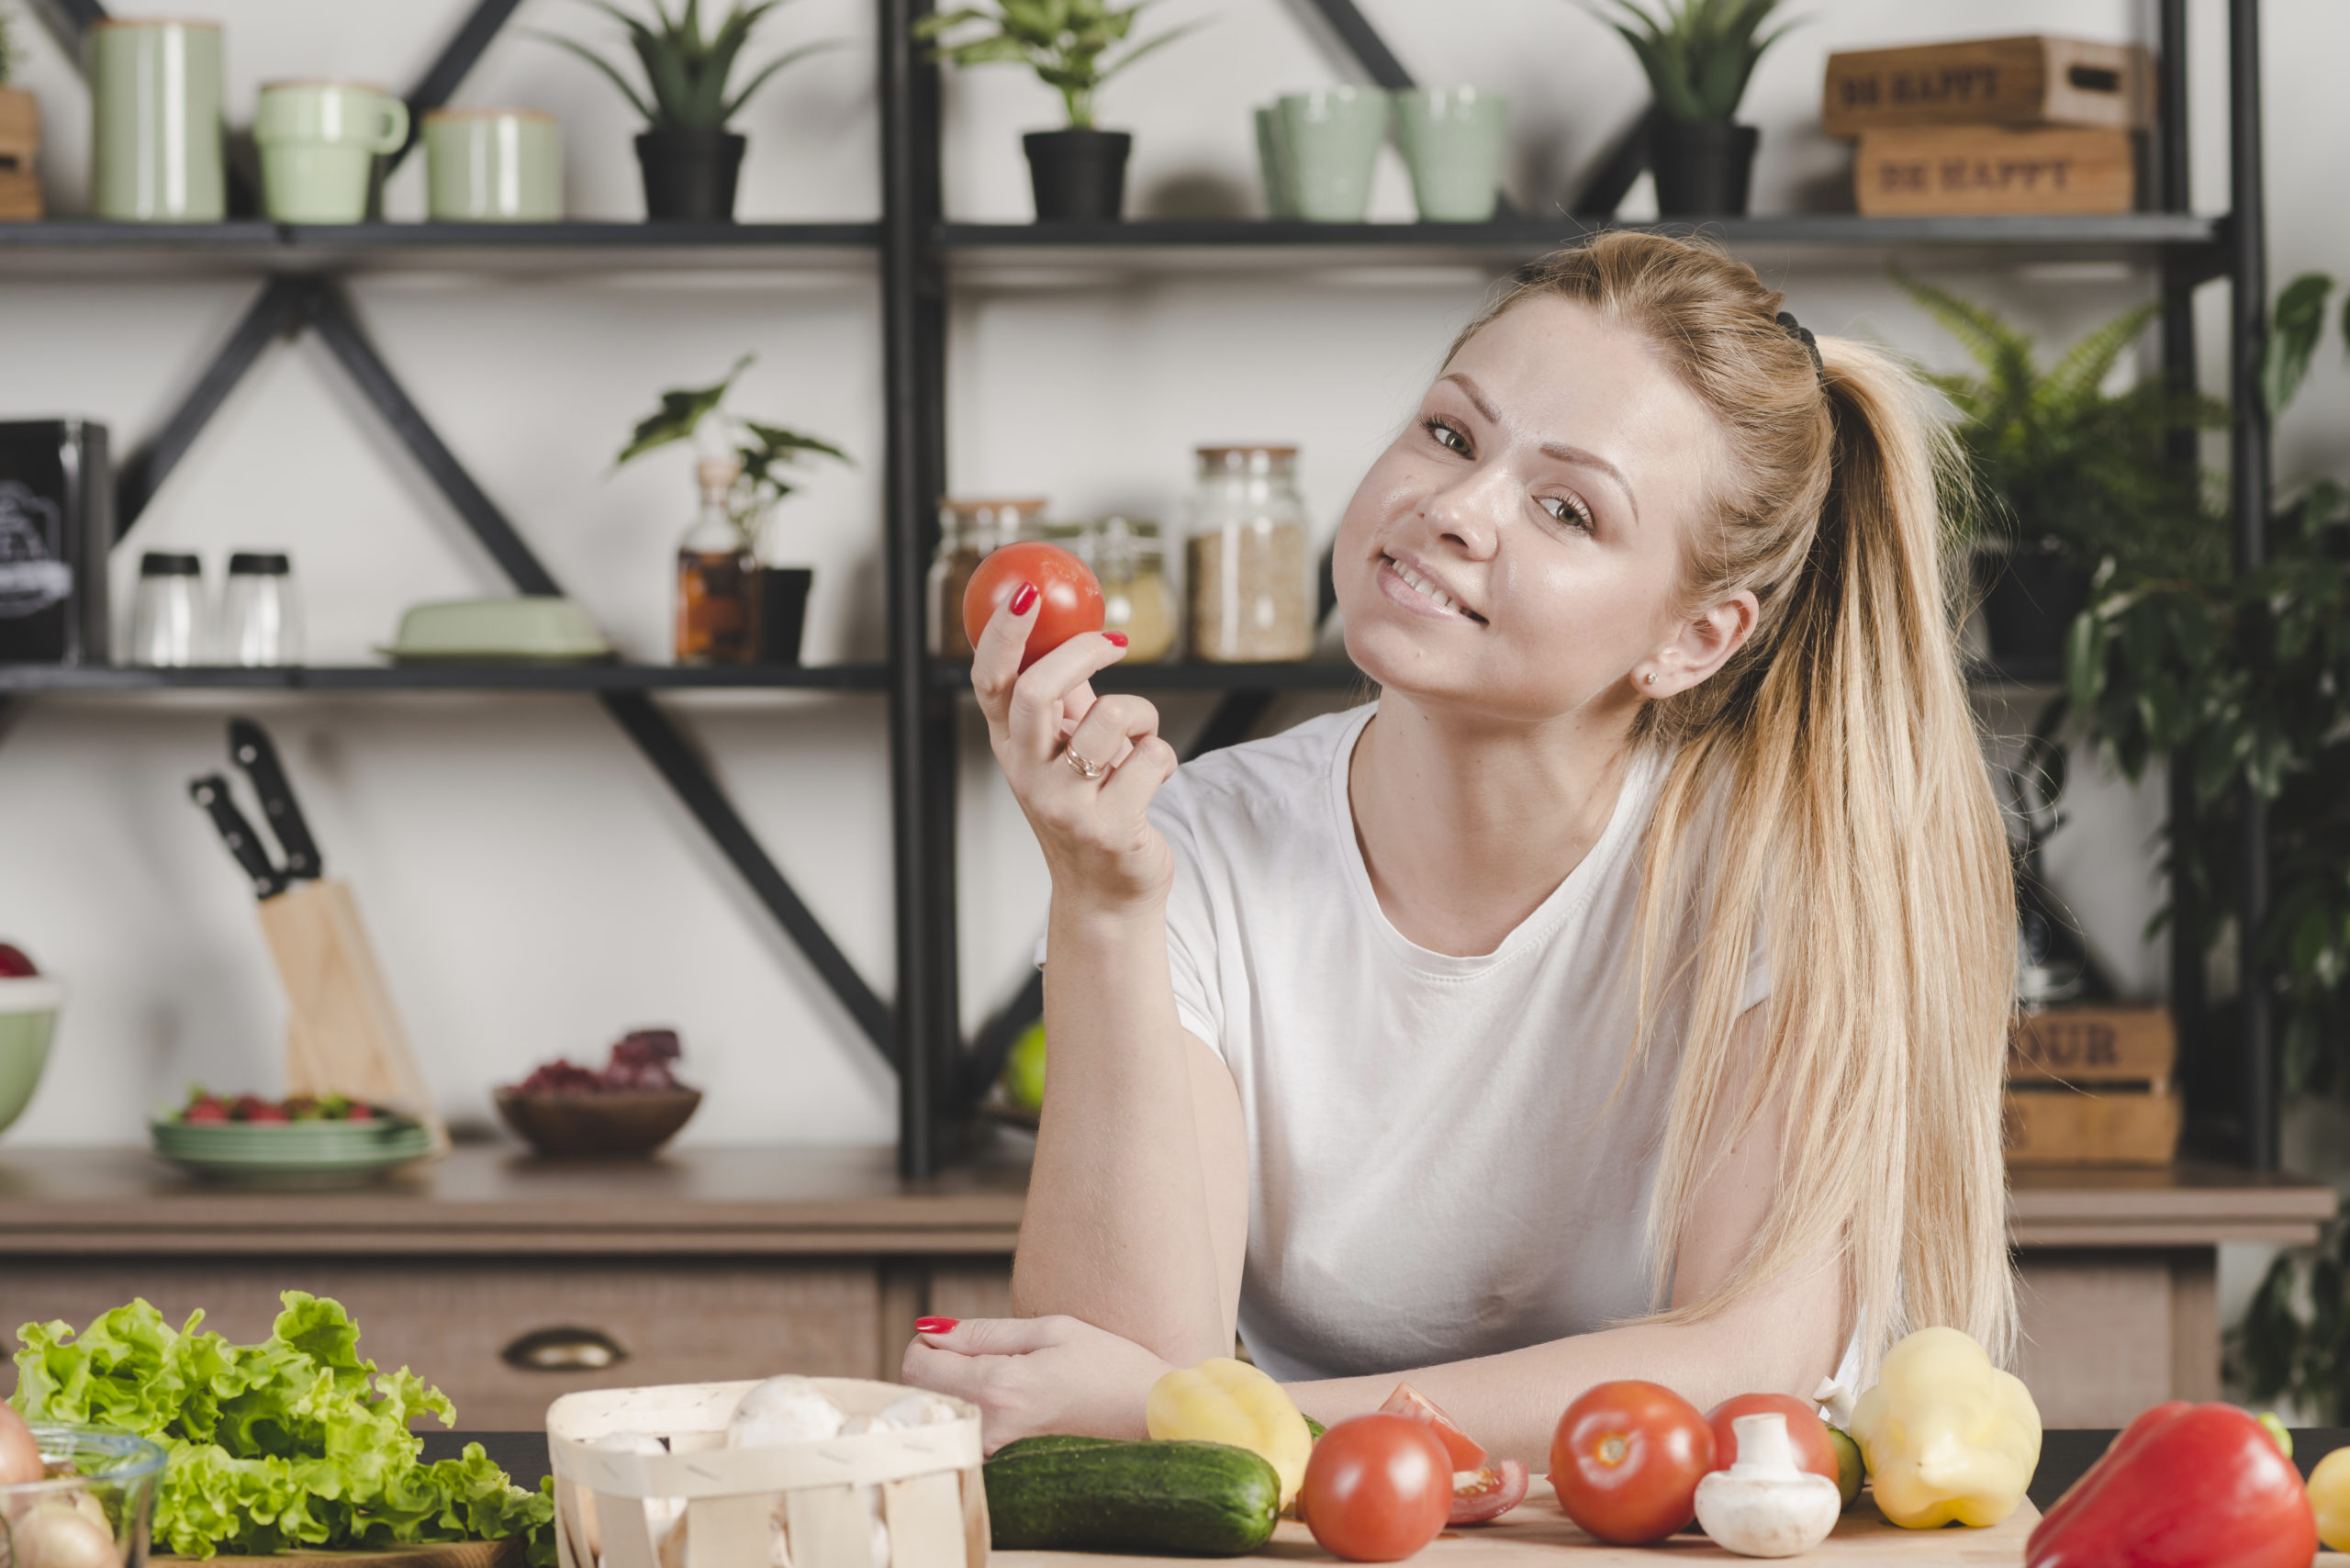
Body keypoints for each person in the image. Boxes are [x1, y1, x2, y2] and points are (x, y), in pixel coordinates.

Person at [903, 231, 2017, 1462]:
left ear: (1696, 639)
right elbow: (1119, 1402)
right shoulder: (1200, 843)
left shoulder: (1775, 874)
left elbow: (1748, 1366)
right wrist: (1102, 905)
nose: (1454, 510)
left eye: (1566, 509)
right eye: (1450, 433)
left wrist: (1247, 1424)